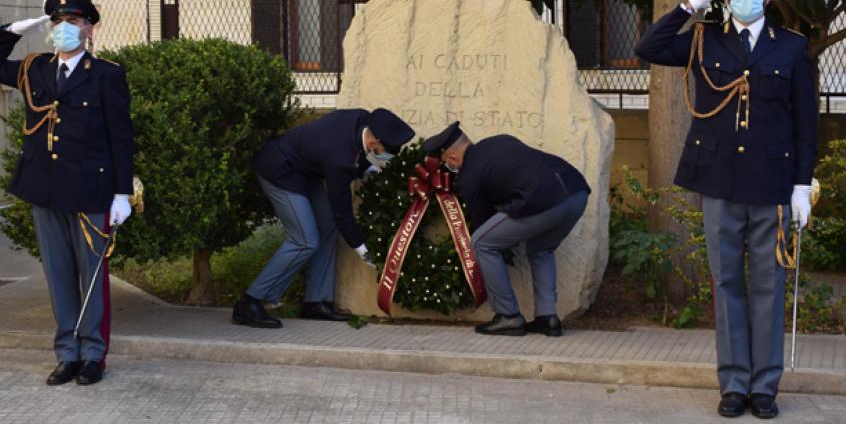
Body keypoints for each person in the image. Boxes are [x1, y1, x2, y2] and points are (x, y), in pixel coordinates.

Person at [634, 0, 818, 419]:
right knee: (727, 282)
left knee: (768, 285)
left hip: (773, 183)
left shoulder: (792, 47)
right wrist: (694, 2)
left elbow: (806, 125)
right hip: (718, 181)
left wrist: (801, 186)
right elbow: (649, 47)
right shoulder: (704, 40)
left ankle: (765, 386)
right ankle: (734, 382)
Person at [0, 0, 134, 386]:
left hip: (90, 193)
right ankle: (67, 353)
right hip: (45, 190)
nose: (65, 29)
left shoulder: (106, 75)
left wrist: (121, 193)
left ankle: (93, 354)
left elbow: (121, 137)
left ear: (89, 28)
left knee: (92, 278)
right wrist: (11, 30)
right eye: (58, 22)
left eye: (74, 22)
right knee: (59, 276)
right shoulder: (34, 69)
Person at [233, 108, 414, 328]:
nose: (385, 157)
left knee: (328, 226)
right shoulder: (339, 156)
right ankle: (250, 302)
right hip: (280, 168)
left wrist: (368, 169)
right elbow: (342, 210)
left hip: (306, 170)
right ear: (375, 140)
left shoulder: (363, 120)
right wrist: (363, 251)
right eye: (385, 152)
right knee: (305, 240)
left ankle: (316, 302)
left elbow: (358, 155)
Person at [421, 123, 590, 337]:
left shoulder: (468, 175)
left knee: (482, 242)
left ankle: (507, 316)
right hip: (576, 192)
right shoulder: (499, 140)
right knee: (540, 249)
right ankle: (547, 318)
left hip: (542, 199)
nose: (448, 168)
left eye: (446, 162)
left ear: (453, 158)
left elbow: (485, 224)